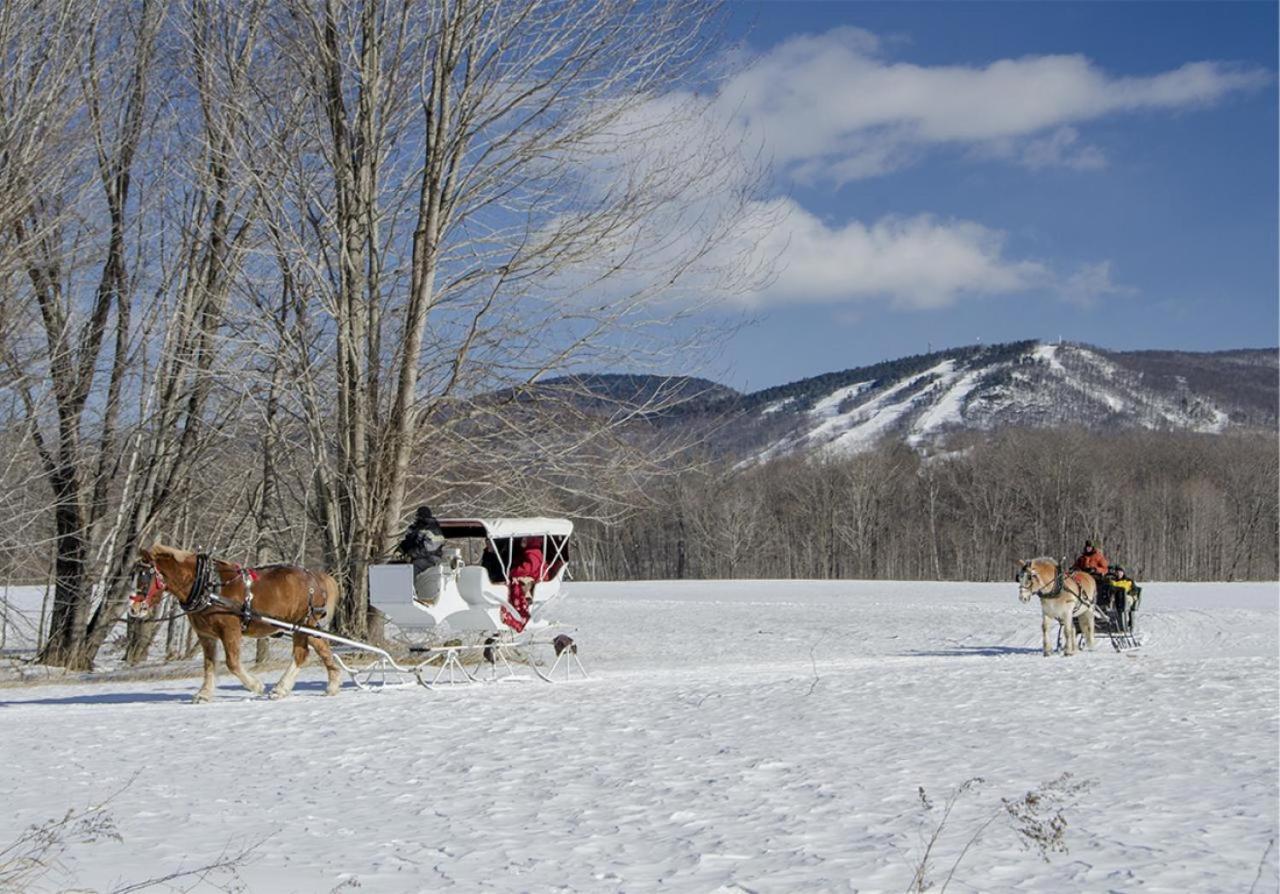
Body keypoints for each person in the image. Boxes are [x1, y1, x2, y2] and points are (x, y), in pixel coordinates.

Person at [399, 506, 445, 601]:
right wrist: (400, 550)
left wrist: (412, 554)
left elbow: (430, 548)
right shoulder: (415, 528)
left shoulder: (433, 529)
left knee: (412, 567)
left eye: (419, 515)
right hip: (416, 557)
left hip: (431, 558)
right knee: (397, 565)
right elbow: (408, 542)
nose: (417, 517)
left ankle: (410, 593)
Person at [501, 536, 546, 632]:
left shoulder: (534, 552)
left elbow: (528, 568)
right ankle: (511, 609)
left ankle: (520, 614)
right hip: (528, 579)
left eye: (526, 539)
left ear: (531, 541)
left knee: (515, 583)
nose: (523, 541)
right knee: (511, 583)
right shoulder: (527, 552)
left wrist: (513, 571)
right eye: (522, 539)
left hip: (534, 580)